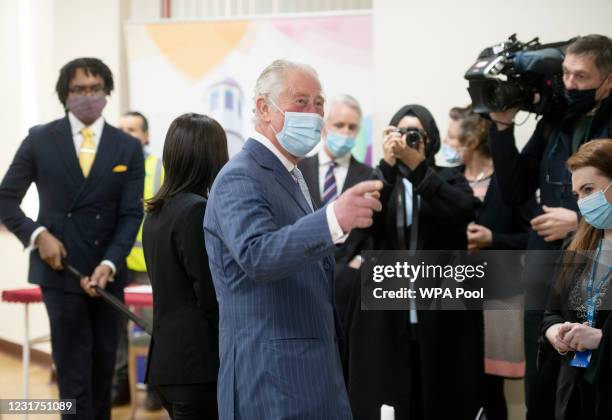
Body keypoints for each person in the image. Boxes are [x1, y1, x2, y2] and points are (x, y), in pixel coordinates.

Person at [203, 59, 383, 419]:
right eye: (301, 101)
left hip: (312, 373)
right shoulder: (240, 176)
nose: (313, 114)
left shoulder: (292, 176)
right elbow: (257, 255)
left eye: (319, 104)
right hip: (272, 381)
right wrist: (332, 219)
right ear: (263, 108)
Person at [0, 57, 144, 419]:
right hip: (60, 271)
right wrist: (36, 234)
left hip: (107, 276)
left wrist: (111, 263)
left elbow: (130, 214)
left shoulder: (126, 148)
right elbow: (5, 199)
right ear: (65, 94)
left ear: (107, 93)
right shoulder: (39, 140)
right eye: (79, 89)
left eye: (95, 89)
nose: (87, 97)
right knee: (72, 375)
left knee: (103, 372)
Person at [488, 34, 612, 417]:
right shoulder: (556, 120)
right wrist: (501, 126)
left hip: (600, 247)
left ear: (607, 80)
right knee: (547, 360)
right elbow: (513, 188)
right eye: (565, 74)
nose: (568, 85)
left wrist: (578, 219)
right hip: (552, 257)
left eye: (579, 76)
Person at [345, 104, 484, 420]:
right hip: (386, 314)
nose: (406, 139)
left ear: (430, 139)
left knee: (441, 399)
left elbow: (463, 212)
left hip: (442, 317)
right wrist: (389, 168)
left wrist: (419, 168)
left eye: (414, 134)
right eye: (400, 133)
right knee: (389, 400)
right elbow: (362, 233)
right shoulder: (377, 178)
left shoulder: (449, 178)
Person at [445, 105, 537, 420]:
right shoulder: (447, 180)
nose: (445, 142)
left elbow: (535, 237)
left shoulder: (507, 182)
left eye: (450, 136)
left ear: (470, 142)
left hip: (499, 301)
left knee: (490, 389)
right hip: (453, 299)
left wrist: (493, 239)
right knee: (455, 383)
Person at [143, 113, 227, 419]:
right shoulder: (197, 210)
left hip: (167, 365)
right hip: (197, 366)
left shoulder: (156, 211)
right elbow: (209, 294)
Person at [298, 94, 373, 375]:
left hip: (350, 291)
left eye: (352, 127)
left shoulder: (369, 175)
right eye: (339, 124)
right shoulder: (297, 171)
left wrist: (359, 265)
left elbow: (375, 232)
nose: (345, 133)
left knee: (345, 368)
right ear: (325, 126)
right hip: (304, 285)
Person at [541, 139, 612, 420]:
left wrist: (600, 339)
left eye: (589, 190)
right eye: (577, 194)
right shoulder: (577, 244)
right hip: (573, 390)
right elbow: (551, 313)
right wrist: (556, 333)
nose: (583, 202)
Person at [112, 111, 163, 410]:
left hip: (150, 266)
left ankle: (156, 385)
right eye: (121, 129)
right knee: (116, 327)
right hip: (117, 264)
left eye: (132, 129)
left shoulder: (159, 167)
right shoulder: (110, 169)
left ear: (146, 136)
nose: (126, 134)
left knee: (155, 327)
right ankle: (121, 385)